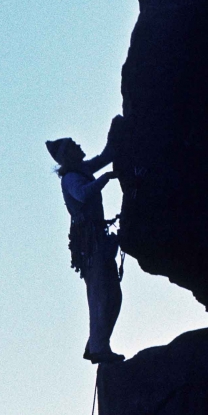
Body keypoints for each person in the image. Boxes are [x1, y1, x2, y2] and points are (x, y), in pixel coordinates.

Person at [46, 119, 125, 363]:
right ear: (67, 156)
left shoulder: (81, 170)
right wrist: (106, 178)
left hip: (95, 239)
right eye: (73, 145)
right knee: (101, 293)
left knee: (112, 294)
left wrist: (115, 139)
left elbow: (105, 157)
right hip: (89, 243)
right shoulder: (71, 178)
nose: (78, 145)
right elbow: (83, 194)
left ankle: (96, 343)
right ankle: (99, 346)